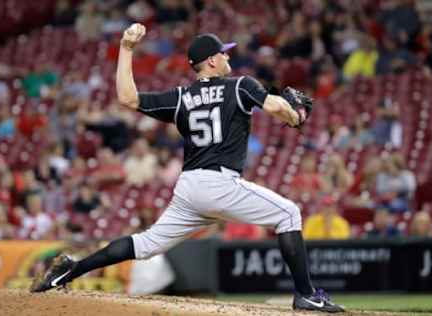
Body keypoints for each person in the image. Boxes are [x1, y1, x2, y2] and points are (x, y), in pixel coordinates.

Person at [30, 23, 344, 313]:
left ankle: (71, 269)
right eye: (223, 52)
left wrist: (126, 48)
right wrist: (297, 115)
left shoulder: (180, 98)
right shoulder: (240, 86)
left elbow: (127, 98)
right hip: (218, 183)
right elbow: (277, 108)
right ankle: (305, 294)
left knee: (147, 243)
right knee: (288, 213)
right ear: (210, 61)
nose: (227, 55)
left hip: (189, 187)